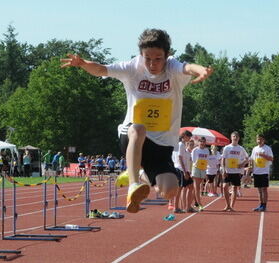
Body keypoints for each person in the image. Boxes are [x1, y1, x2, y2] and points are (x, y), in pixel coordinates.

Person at [61, 29, 213, 213]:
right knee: (138, 128)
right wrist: (83, 64)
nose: (152, 63)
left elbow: (188, 67)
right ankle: (133, 185)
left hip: (161, 145)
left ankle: (140, 174)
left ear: (167, 56)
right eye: (147, 58)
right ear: (141, 55)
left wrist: (201, 70)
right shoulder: (133, 67)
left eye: (158, 59)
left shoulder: (172, 68)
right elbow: (101, 69)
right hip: (132, 137)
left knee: (169, 190)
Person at [220, 131, 248, 212]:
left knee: (235, 188)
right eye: (233, 136)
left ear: (239, 138)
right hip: (227, 171)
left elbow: (247, 158)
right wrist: (223, 170)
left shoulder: (241, 148)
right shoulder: (227, 148)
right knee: (225, 187)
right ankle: (227, 205)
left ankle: (231, 206)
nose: (235, 138)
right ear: (231, 137)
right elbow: (223, 159)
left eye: (236, 137)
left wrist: (242, 164)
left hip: (236, 171)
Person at [249, 133, 274, 211]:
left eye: (260, 139)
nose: (259, 141)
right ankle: (260, 205)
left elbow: (271, 159)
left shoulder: (267, 148)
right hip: (256, 172)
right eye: (258, 139)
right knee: (259, 190)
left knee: (264, 189)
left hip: (264, 172)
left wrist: (263, 155)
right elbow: (252, 159)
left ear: (263, 140)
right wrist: (251, 168)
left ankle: (264, 205)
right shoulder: (254, 149)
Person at [190, 136, 209, 211]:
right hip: (196, 169)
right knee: (197, 187)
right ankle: (200, 204)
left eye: (203, 141)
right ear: (198, 142)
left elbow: (206, 160)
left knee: (197, 188)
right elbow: (193, 161)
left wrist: (205, 169)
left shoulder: (207, 150)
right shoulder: (195, 150)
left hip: (203, 169)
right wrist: (191, 171)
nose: (202, 143)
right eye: (200, 141)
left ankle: (194, 202)